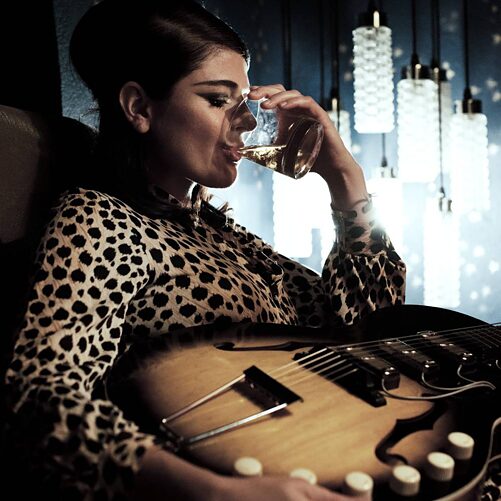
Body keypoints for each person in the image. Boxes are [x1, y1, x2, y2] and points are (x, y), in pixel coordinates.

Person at [2, 0, 406, 499]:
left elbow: (370, 336)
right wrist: (212, 492)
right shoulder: (101, 217)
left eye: (244, 101)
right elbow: (39, 398)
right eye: (218, 100)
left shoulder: (223, 234)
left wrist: (346, 180)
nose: (245, 121)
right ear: (139, 108)